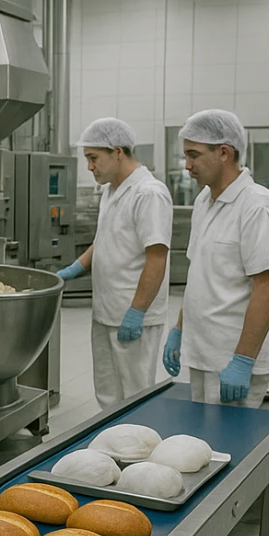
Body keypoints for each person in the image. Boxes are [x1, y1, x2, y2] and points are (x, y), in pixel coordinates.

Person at [162, 109, 269, 408]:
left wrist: (243, 360)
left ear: (224, 153)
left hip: (233, 359)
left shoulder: (257, 207)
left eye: (193, 155)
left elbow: (268, 287)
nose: (187, 165)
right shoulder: (204, 201)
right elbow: (199, 275)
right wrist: (180, 329)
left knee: (232, 438)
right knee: (203, 436)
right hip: (203, 353)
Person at [57, 118, 172, 411]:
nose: (89, 167)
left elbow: (157, 257)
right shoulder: (111, 191)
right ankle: (112, 438)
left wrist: (137, 311)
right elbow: (105, 239)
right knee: (108, 393)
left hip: (133, 314)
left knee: (135, 395)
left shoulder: (148, 193)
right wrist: (75, 268)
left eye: (93, 158)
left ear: (117, 152)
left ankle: (139, 440)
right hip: (106, 310)